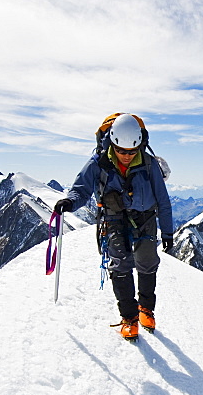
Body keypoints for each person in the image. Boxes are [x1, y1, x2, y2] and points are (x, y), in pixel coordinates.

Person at [53, 113, 173, 341]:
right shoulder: (98, 162)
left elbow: (163, 199)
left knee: (147, 263)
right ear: (113, 143)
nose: (127, 156)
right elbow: (81, 189)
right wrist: (69, 202)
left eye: (132, 151)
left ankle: (146, 310)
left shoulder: (149, 164)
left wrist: (167, 232)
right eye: (122, 151)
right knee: (120, 266)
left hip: (145, 219)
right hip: (113, 220)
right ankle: (129, 318)